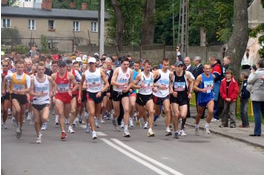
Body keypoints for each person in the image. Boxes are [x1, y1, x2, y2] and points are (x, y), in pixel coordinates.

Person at [78, 57, 109, 140]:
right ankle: (93, 132)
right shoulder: (85, 74)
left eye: (92, 63)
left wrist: (101, 91)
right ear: (88, 64)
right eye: (90, 63)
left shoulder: (100, 72)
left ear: (95, 64)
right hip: (90, 94)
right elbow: (80, 85)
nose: (91, 65)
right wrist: (80, 96)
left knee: (96, 113)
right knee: (91, 112)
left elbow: (107, 84)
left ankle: (96, 120)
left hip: (99, 93)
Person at [2, 59, 31, 138]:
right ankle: (17, 124)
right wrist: (3, 89)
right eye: (18, 67)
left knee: (22, 114)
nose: (20, 69)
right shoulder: (12, 75)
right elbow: (5, 79)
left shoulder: (26, 77)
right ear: (15, 67)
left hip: (22, 95)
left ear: (24, 67)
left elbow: (28, 88)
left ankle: (19, 126)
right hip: (14, 95)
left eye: (21, 67)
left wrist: (22, 90)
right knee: (17, 110)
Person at [30, 63, 56, 143]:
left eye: (42, 69)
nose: (41, 71)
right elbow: (30, 91)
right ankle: (38, 135)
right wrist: (35, 94)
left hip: (45, 101)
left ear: (44, 70)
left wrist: (52, 93)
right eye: (39, 69)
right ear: (36, 70)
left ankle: (39, 130)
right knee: (36, 120)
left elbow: (55, 85)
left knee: (44, 118)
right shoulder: (33, 79)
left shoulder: (48, 78)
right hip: (36, 102)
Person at [51, 60, 77, 140]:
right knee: (60, 113)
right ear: (57, 68)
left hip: (67, 96)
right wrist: (53, 94)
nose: (62, 69)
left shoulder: (70, 75)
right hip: (59, 96)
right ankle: (63, 131)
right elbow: (50, 86)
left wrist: (71, 90)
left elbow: (76, 85)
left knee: (66, 115)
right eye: (60, 67)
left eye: (63, 67)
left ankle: (67, 124)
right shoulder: (54, 76)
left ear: (65, 68)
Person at [170, 61, 194, 139]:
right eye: (178, 67)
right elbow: (170, 84)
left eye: (181, 67)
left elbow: (191, 82)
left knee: (183, 115)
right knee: (176, 114)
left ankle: (177, 122)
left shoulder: (186, 74)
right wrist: (172, 91)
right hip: (175, 97)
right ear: (175, 67)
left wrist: (190, 92)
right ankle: (176, 131)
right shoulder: (172, 75)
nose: (180, 68)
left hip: (183, 96)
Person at [132, 60, 155, 137]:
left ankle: (150, 130)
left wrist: (154, 87)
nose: (148, 68)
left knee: (151, 111)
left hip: (149, 95)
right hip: (141, 96)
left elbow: (152, 83)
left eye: (149, 67)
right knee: (142, 113)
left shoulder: (152, 75)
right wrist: (139, 86)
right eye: (147, 67)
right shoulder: (140, 75)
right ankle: (137, 117)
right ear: (143, 66)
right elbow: (133, 85)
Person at [111, 57, 133, 137]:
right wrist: (121, 85)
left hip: (124, 92)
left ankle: (126, 130)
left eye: (127, 64)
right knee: (117, 112)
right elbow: (112, 82)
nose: (126, 66)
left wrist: (127, 88)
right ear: (121, 64)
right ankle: (113, 117)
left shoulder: (130, 71)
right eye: (124, 64)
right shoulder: (117, 70)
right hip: (116, 92)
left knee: (126, 109)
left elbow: (131, 82)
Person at [153, 58, 173, 136]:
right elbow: (151, 82)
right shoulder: (157, 72)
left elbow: (171, 82)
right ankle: (150, 120)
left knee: (168, 110)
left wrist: (170, 89)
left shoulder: (170, 73)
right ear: (162, 65)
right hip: (157, 95)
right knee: (156, 112)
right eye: (165, 65)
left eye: (167, 65)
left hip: (166, 94)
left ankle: (167, 128)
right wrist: (158, 85)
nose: (166, 66)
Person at [193, 63, 215, 135]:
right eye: (206, 69)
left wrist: (212, 89)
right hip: (202, 97)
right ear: (203, 69)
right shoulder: (200, 77)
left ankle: (207, 126)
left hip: (210, 96)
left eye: (209, 69)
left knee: (211, 111)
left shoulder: (212, 76)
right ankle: (196, 125)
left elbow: (212, 85)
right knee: (199, 113)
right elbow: (194, 87)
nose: (208, 70)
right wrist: (201, 90)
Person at [247, 59, 264, 137]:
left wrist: (252, 74)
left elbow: (249, 81)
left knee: (257, 113)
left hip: (257, 95)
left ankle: (257, 132)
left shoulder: (257, 73)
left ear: (258, 64)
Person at [209, 56, 222, 122]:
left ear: (213, 60)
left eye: (210, 61)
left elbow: (215, 76)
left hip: (216, 83)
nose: (210, 62)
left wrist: (208, 75)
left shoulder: (217, 67)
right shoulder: (215, 66)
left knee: (215, 99)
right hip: (214, 83)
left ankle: (216, 116)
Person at [1, 59, 13, 129]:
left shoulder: (11, 74)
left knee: (5, 109)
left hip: (7, 92)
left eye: (6, 66)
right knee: (1, 109)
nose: (4, 67)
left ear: (9, 66)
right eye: (3, 65)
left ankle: (3, 122)